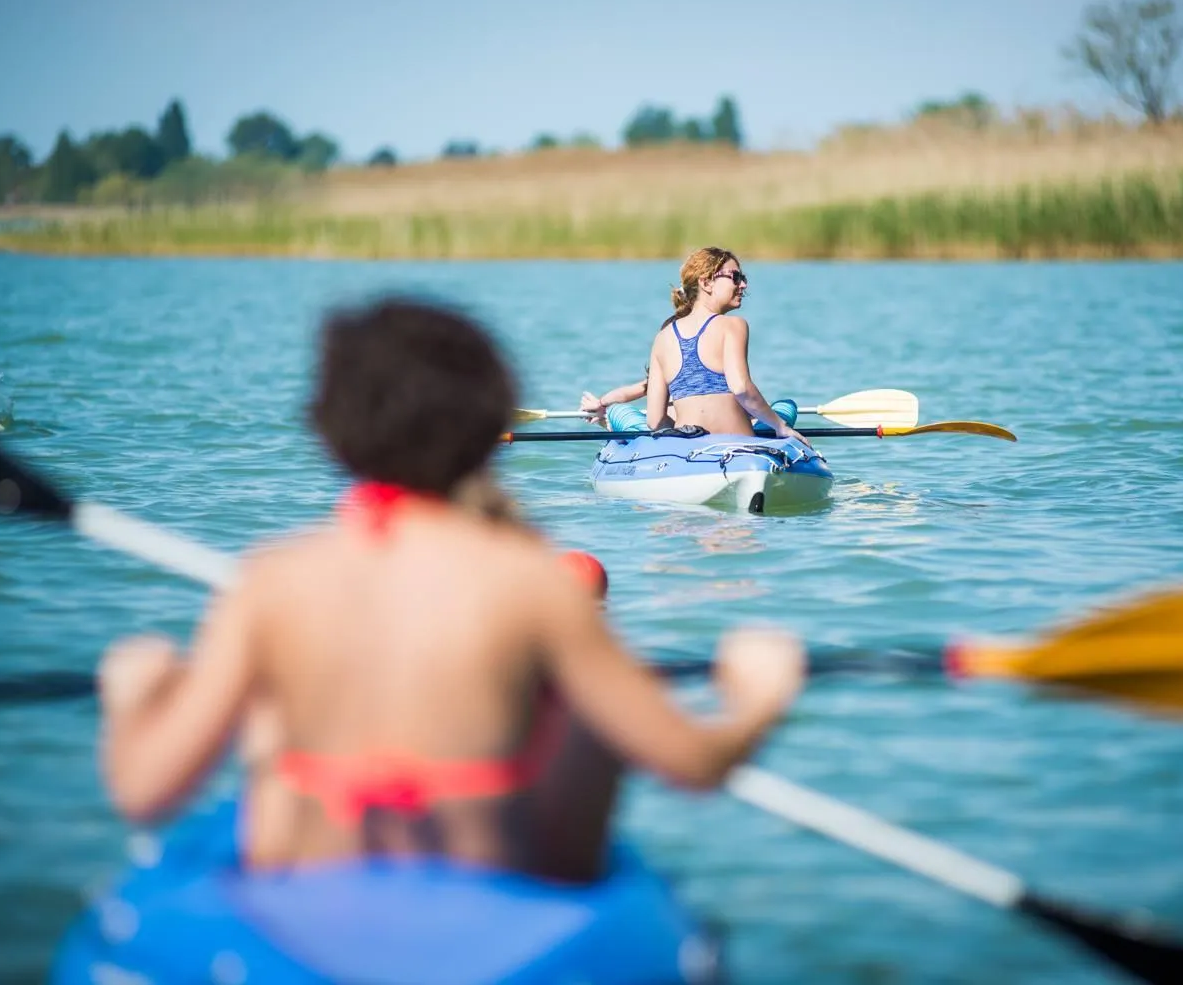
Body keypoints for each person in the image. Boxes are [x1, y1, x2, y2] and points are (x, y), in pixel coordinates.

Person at [95, 295, 805, 883]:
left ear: (330, 430)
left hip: (310, 906)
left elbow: (142, 787)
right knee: (583, 720)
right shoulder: (534, 583)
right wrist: (757, 696)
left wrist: (134, 692)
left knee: (271, 722)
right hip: (489, 897)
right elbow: (692, 761)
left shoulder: (270, 581)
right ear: (488, 421)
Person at [580, 247, 803, 440]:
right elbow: (741, 388)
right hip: (739, 445)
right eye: (735, 277)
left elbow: (655, 421)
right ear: (706, 282)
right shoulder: (734, 325)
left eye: (743, 278)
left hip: (687, 449)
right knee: (786, 409)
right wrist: (781, 428)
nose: (743, 284)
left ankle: (608, 419)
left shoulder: (663, 338)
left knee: (620, 413)